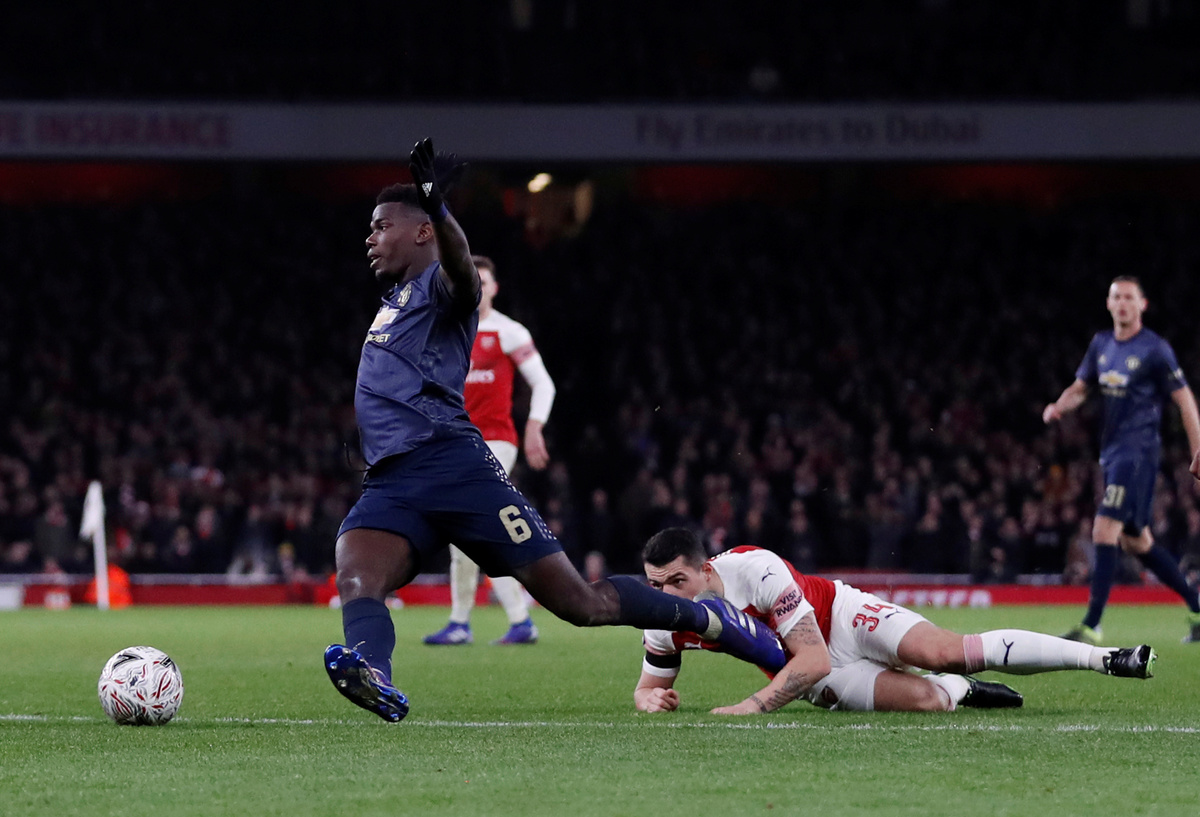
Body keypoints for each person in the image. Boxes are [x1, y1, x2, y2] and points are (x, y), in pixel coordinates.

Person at [323, 138, 785, 723]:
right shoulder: (395, 301)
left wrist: (438, 205)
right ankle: (372, 674)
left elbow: (463, 271)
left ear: (421, 233)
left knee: (581, 604)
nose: (370, 237)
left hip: (454, 468)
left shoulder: (443, 286)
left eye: (381, 226)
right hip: (393, 480)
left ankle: (705, 617)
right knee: (356, 571)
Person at [633, 528, 1156, 716]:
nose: (665, 595)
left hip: (840, 618)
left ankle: (1105, 658)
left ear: (705, 570)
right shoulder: (661, 617)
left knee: (946, 651)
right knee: (930, 700)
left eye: (677, 581)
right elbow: (647, 688)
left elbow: (813, 655)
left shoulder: (756, 568)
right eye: (655, 585)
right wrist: (650, 700)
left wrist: (752, 706)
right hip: (813, 677)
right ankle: (961, 692)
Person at [1043, 276, 1200, 645]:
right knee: (1137, 543)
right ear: (1109, 303)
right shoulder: (1101, 344)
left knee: (1104, 529)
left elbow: (1185, 400)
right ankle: (1198, 608)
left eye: (1130, 297)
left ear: (1142, 305)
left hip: (1138, 453)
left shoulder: (1155, 349)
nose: (1123, 303)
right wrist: (1058, 407)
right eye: (1117, 297)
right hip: (1112, 453)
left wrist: (1198, 451)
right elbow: (1080, 388)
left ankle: (1091, 625)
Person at [424, 255, 555, 646]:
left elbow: (544, 384)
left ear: (495, 288)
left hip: (496, 440)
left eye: (484, 281)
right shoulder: (448, 330)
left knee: (468, 522)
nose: (478, 288)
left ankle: (479, 621)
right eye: (472, 280)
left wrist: (534, 426)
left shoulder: (507, 332)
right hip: (455, 442)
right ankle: (489, 621)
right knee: (468, 530)